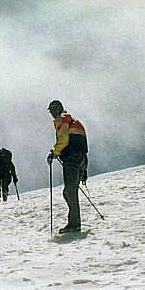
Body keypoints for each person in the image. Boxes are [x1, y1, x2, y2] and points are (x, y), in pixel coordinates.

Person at [46, 100, 88, 234]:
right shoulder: (71, 120)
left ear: (59, 109)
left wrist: (54, 153)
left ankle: (74, 224)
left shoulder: (62, 120)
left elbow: (63, 139)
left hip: (71, 158)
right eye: (51, 110)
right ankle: (75, 222)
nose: (52, 113)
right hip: (80, 159)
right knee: (70, 191)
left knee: (70, 192)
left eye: (53, 109)